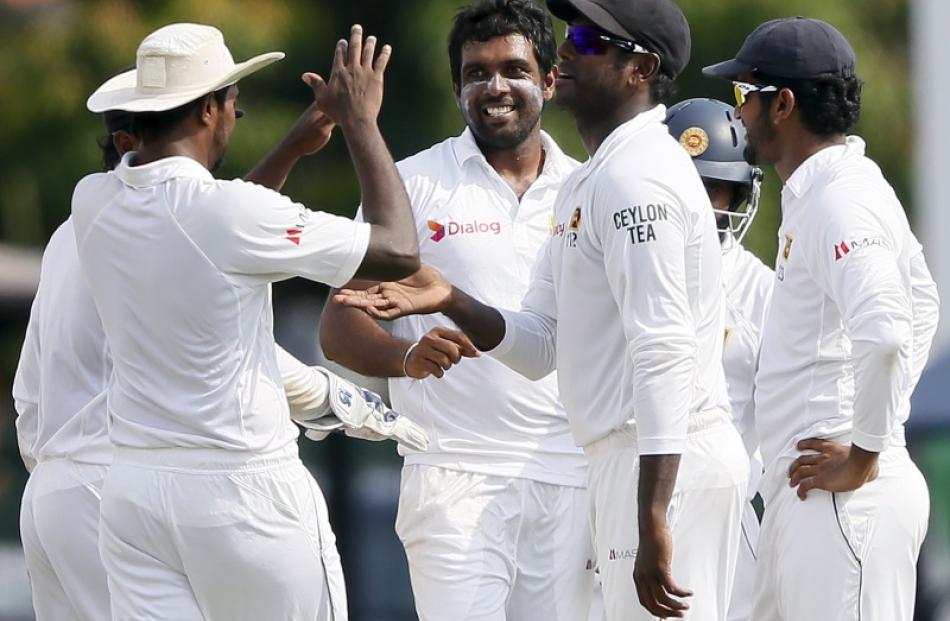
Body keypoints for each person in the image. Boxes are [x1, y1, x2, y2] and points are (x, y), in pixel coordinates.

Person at [335, 1, 749, 618]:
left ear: (641, 67)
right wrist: (449, 298)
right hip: (488, 468)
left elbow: (662, 347)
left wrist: (654, 513)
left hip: (644, 462)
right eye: (476, 72)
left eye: (587, 38)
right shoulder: (594, 180)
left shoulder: (632, 177)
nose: (569, 48)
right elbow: (543, 343)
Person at [70, 23, 420, 620]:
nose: (234, 116)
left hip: (134, 498)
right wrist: (360, 120)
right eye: (234, 105)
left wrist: (289, 148)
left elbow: (210, 239)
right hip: (244, 497)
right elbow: (398, 250)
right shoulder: (227, 214)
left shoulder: (92, 201)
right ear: (209, 109)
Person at [320, 2, 595, 619]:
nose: (495, 87)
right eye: (476, 73)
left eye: (514, 70)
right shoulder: (412, 186)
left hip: (573, 474)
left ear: (550, 80)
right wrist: (404, 355)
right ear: (456, 89)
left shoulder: (588, 188)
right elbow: (338, 326)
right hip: (453, 474)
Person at [703, 17, 940, 620]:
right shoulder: (826, 191)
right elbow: (923, 303)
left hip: (842, 495)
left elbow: (887, 332)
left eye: (743, 95)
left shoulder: (840, 197)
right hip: (816, 491)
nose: (738, 113)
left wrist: (865, 450)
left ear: (782, 104)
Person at [665, 97, 772, 621]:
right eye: (689, 184)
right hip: (630, 500)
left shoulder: (760, 289)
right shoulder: (625, 268)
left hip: (728, 513)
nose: (702, 203)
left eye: (715, 187)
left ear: (742, 190)